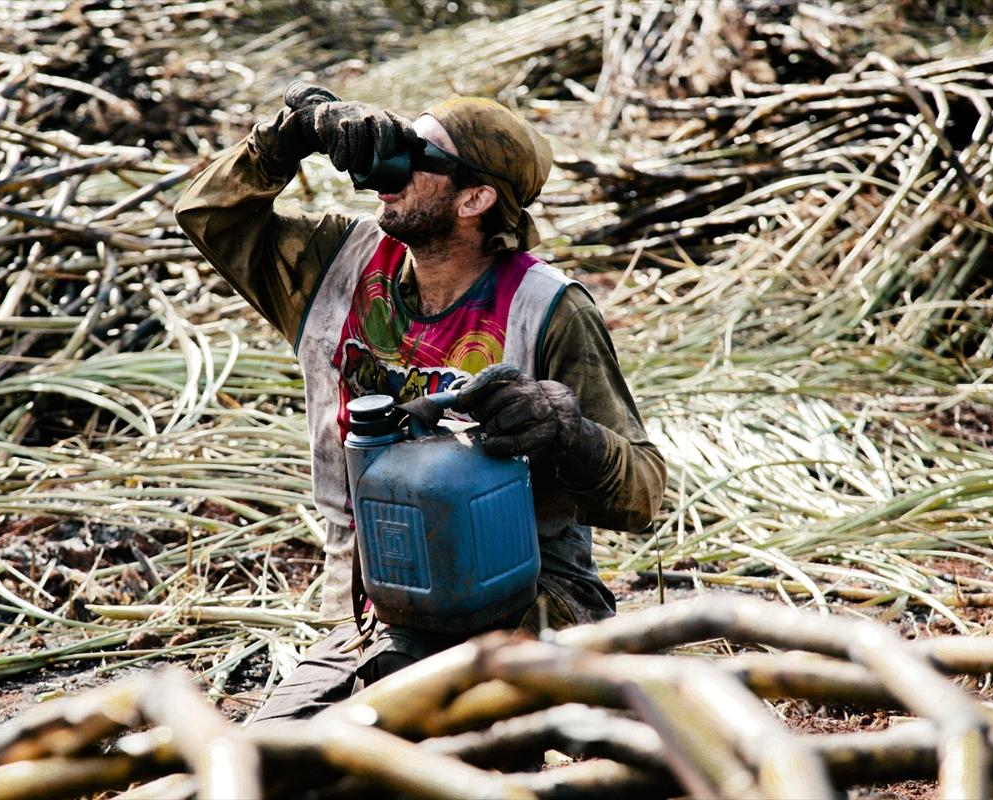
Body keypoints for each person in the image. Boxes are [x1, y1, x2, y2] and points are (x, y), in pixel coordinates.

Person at [174, 83, 666, 725]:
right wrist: (291, 135)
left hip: (528, 596)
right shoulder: (337, 265)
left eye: (419, 153)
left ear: (475, 198)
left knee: (422, 740)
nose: (393, 164)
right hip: (378, 602)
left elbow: (644, 495)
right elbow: (210, 215)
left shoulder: (546, 309)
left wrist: (564, 429)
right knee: (275, 749)